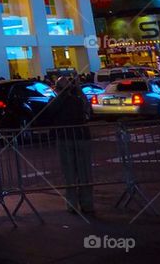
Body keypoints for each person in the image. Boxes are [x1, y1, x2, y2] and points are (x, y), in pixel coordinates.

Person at [46, 76, 94, 215]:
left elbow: (86, 108)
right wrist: (71, 91)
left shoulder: (72, 99)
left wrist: (73, 90)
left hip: (71, 137)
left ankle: (80, 204)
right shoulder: (68, 99)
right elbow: (51, 111)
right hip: (74, 137)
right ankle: (80, 204)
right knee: (77, 173)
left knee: (76, 173)